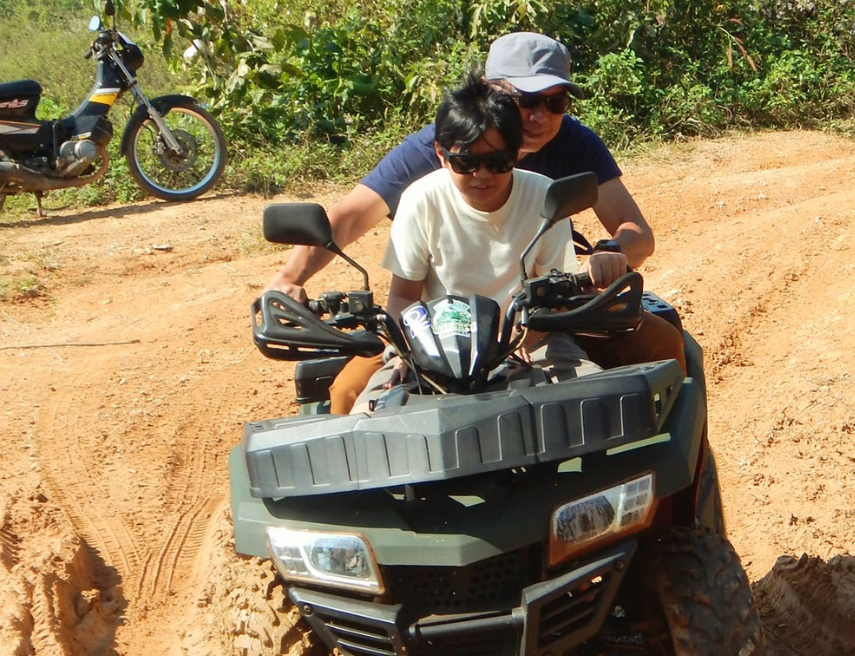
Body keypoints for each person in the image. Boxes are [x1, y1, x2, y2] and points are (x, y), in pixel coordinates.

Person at [266, 32, 685, 413]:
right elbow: (350, 218)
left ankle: (669, 484)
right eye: (525, 100)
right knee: (348, 397)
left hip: (537, 312)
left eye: (555, 102)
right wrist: (288, 278)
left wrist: (608, 254)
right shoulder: (439, 152)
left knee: (663, 351)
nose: (539, 115)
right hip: (435, 327)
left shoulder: (570, 148)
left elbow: (635, 232)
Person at [372, 73, 596, 400]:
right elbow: (403, 297)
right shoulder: (421, 200)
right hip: (434, 344)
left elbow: (553, 301)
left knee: (594, 402)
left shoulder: (546, 197)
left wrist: (516, 342)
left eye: (497, 162)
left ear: (517, 152)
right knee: (368, 412)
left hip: (530, 342)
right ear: (440, 153)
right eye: (465, 162)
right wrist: (406, 353)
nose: (482, 175)